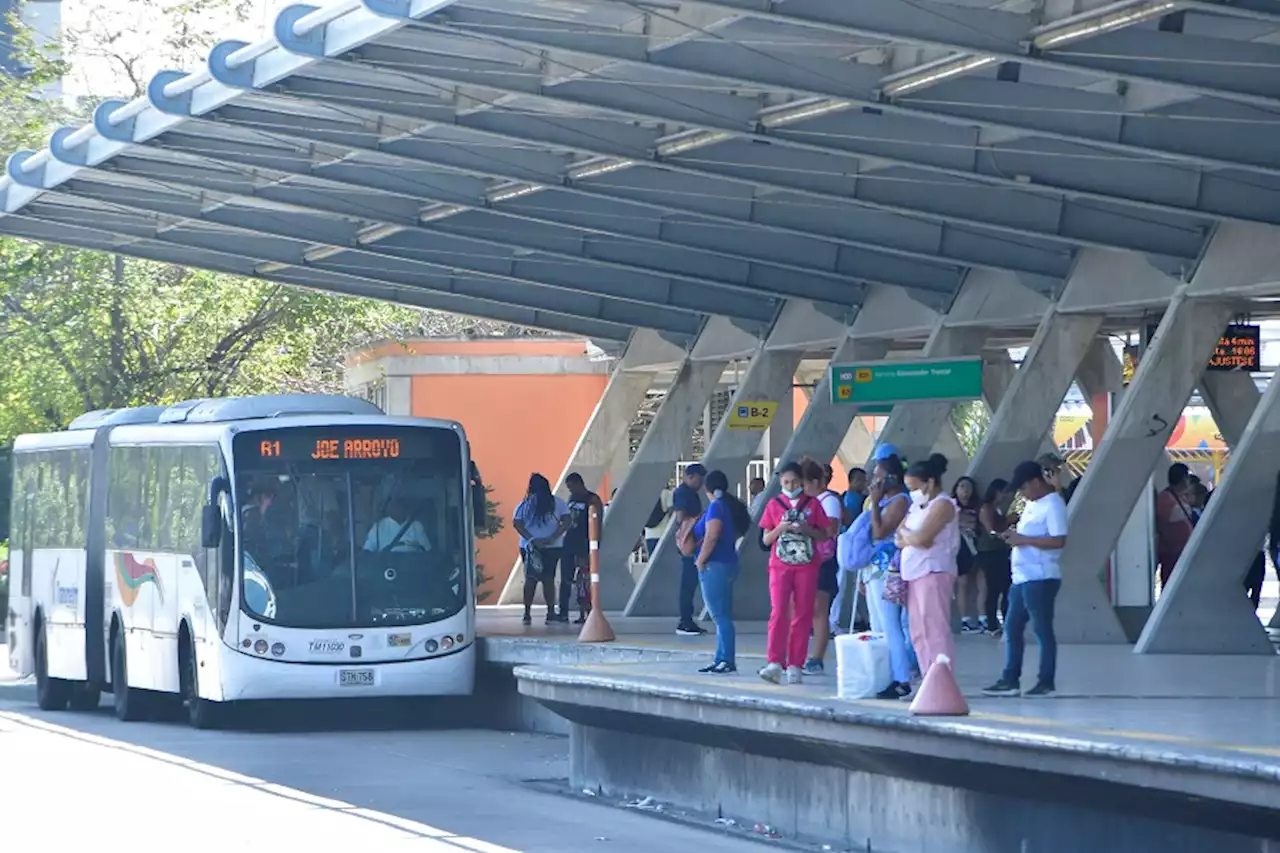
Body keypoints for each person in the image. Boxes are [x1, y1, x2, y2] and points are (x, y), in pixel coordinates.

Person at [983, 461, 1068, 698]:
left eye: (1023, 487)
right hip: (1021, 577)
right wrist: (1012, 537)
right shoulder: (1032, 505)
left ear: (1034, 482)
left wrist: (1023, 540)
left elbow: (1059, 540)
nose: (1021, 493)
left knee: (1042, 630)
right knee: (1012, 627)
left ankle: (1046, 681)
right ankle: (1010, 679)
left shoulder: (1053, 505)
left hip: (1040, 577)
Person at [758, 460, 832, 685]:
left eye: (794, 482)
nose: (790, 486)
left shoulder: (813, 505)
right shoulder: (773, 504)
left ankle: (795, 664)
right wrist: (781, 527)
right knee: (779, 611)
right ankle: (774, 661)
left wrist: (806, 528)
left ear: (802, 481)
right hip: (780, 566)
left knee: (802, 614)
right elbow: (765, 539)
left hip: (807, 565)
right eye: (786, 482)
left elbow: (826, 534)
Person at [681, 470, 751, 674]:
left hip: (714, 566)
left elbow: (712, 535)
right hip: (727, 564)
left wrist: (700, 561)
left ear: (706, 488)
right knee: (723, 615)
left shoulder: (715, 508)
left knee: (720, 616)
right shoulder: (727, 507)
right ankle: (721, 657)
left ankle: (726, 659)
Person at [896, 454, 960, 678]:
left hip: (934, 572)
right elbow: (900, 535)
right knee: (918, 630)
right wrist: (910, 537)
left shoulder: (942, 504)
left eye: (914, 487)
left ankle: (943, 678)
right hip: (915, 573)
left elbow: (923, 538)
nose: (911, 492)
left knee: (935, 628)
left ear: (930, 483)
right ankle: (928, 675)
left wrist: (911, 537)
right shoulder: (917, 507)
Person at [863, 453, 916, 698]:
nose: (874, 481)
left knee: (892, 624)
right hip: (878, 567)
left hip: (891, 568)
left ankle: (902, 675)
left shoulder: (899, 501)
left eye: (878, 476)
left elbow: (880, 531)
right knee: (882, 623)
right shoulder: (889, 500)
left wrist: (874, 503)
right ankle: (894, 671)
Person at [513, 473, 572, 626]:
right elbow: (566, 521)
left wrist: (532, 539)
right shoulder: (557, 502)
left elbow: (517, 523)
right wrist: (553, 536)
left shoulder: (525, 504)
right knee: (548, 579)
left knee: (530, 578)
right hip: (553, 546)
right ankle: (550, 612)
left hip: (529, 547)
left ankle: (527, 613)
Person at [805, 462, 845, 674]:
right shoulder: (807, 501)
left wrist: (806, 527)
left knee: (819, 612)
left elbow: (831, 529)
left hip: (823, 561)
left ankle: (817, 658)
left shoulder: (828, 501)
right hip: (805, 560)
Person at [672, 464, 709, 636]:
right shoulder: (682, 493)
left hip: (694, 542)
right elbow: (680, 517)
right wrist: (697, 520)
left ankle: (687, 619)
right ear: (689, 476)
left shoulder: (690, 493)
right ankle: (685, 621)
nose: (700, 484)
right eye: (698, 480)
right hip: (690, 542)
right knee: (688, 583)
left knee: (691, 582)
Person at [563, 473, 604, 625]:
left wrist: (595, 545)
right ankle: (564, 611)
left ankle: (587, 611)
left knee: (584, 580)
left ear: (579, 483)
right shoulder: (571, 499)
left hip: (584, 543)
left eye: (572, 486)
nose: (571, 490)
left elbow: (598, 522)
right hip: (570, 542)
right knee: (567, 578)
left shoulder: (592, 499)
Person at [976, 478, 1013, 635]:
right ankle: (992, 623)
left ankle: (1005, 618)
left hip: (1000, 551)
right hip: (989, 553)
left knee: (1005, 587)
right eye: (1002, 492)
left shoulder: (997, 509)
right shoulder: (986, 509)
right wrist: (1007, 522)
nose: (1004, 496)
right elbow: (991, 531)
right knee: (993, 588)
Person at [952, 476, 985, 633]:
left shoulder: (977, 508)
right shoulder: (950, 507)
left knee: (982, 582)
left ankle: (983, 618)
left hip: (975, 548)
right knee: (962, 583)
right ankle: (965, 620)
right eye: (962, 487)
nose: (965, 491)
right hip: (959, 549)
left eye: (968, 487)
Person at [1155, 462, 1196, 588]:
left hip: (1182, 551)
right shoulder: (1166, 498)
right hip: (1172, 552)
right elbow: (1175, 516)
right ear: (1183, 479)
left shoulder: (1181, 497)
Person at [363, 497, 431, 552]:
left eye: (400, 504)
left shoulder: (416, 526)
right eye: (393, 504)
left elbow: (427, 550)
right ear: (388, 507)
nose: (397, 508)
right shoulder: (378, 527)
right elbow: (368, 551)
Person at [643, 486, 673, 559]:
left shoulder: (645, 495)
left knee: (652, 564)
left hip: (649, 535)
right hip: (663, 534)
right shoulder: (667, 493)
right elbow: (671, 513)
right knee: (664, 563)